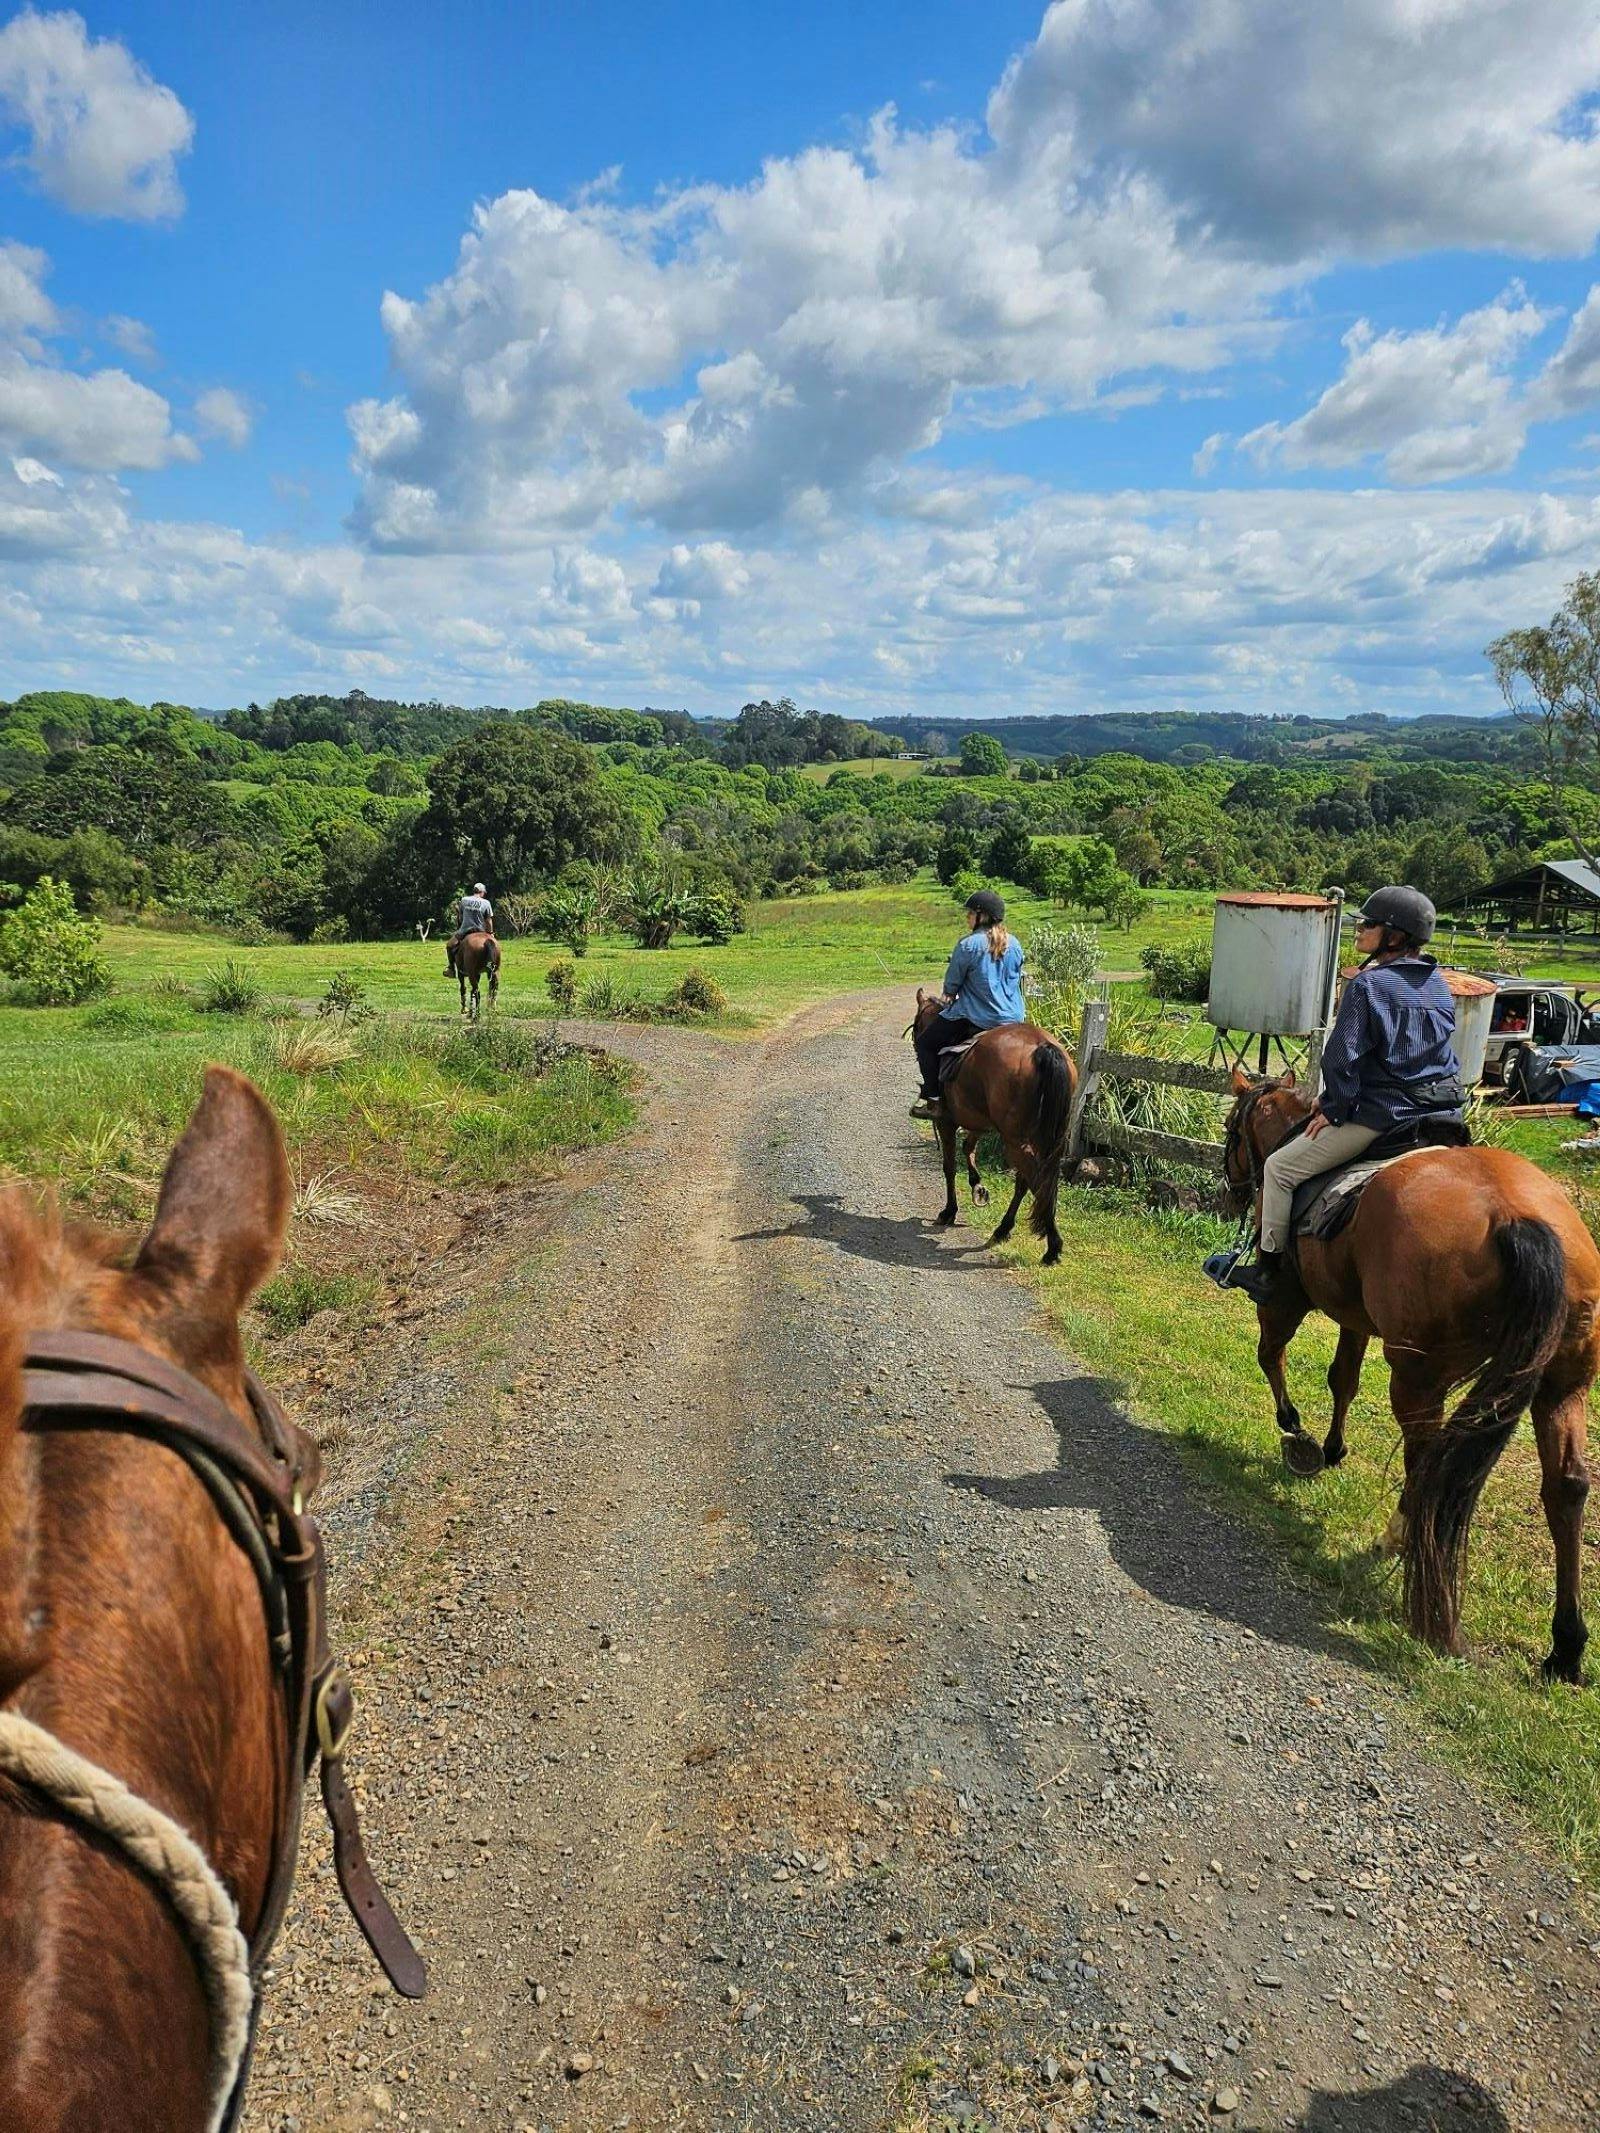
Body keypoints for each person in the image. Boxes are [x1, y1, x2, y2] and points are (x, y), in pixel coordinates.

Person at [1225, 884, 1462, 1303]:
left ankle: (1268, 1272)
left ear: (1394, 936)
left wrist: (1333, 1108)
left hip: (1383, 1116)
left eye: (1368, 923)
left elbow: (1340, 1060)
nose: (1359, 928)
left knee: (1279, 1168)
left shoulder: (1366, 987)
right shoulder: (1438, 984)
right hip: (1443, 1115)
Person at [910, 888, 1027, 1120]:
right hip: (1015, 1018)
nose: (967, 917)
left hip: (977, 1017)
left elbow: (951, 987)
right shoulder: (1015, 944)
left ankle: (934, 1101)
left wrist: (950, 994)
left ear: (982, 916)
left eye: (971, 913)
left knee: (925, 1043)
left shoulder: (968, 945)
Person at [443, 882, 495, 975]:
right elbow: (488, 920)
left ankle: (451, 968)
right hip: (481, 931)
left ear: (474, 891)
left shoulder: (464, 900)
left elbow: (460, 917)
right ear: (482, 892)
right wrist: (490, 933)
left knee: (449, 946)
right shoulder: (486, 903)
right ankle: (492, 964)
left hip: (465, 931)